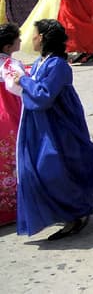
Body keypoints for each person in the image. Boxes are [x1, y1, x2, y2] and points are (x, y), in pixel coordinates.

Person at [7, 19, 93, 239]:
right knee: (47, 168)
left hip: (60, 125)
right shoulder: (41, 61)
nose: (31, 38)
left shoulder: (58, 65)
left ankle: (77, 213)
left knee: (55, 168)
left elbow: (44, 96)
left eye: (34, 34)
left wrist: (24, 81)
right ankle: (69, 212)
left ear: (43, 38)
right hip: (44, 125)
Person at [0, 24, 21, 225]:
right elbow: (20, 89)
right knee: (11, 162)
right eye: (18, 39)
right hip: (8, 115)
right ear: (8, 47)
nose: (21, 42)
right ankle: (12, 207)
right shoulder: (11, 66)